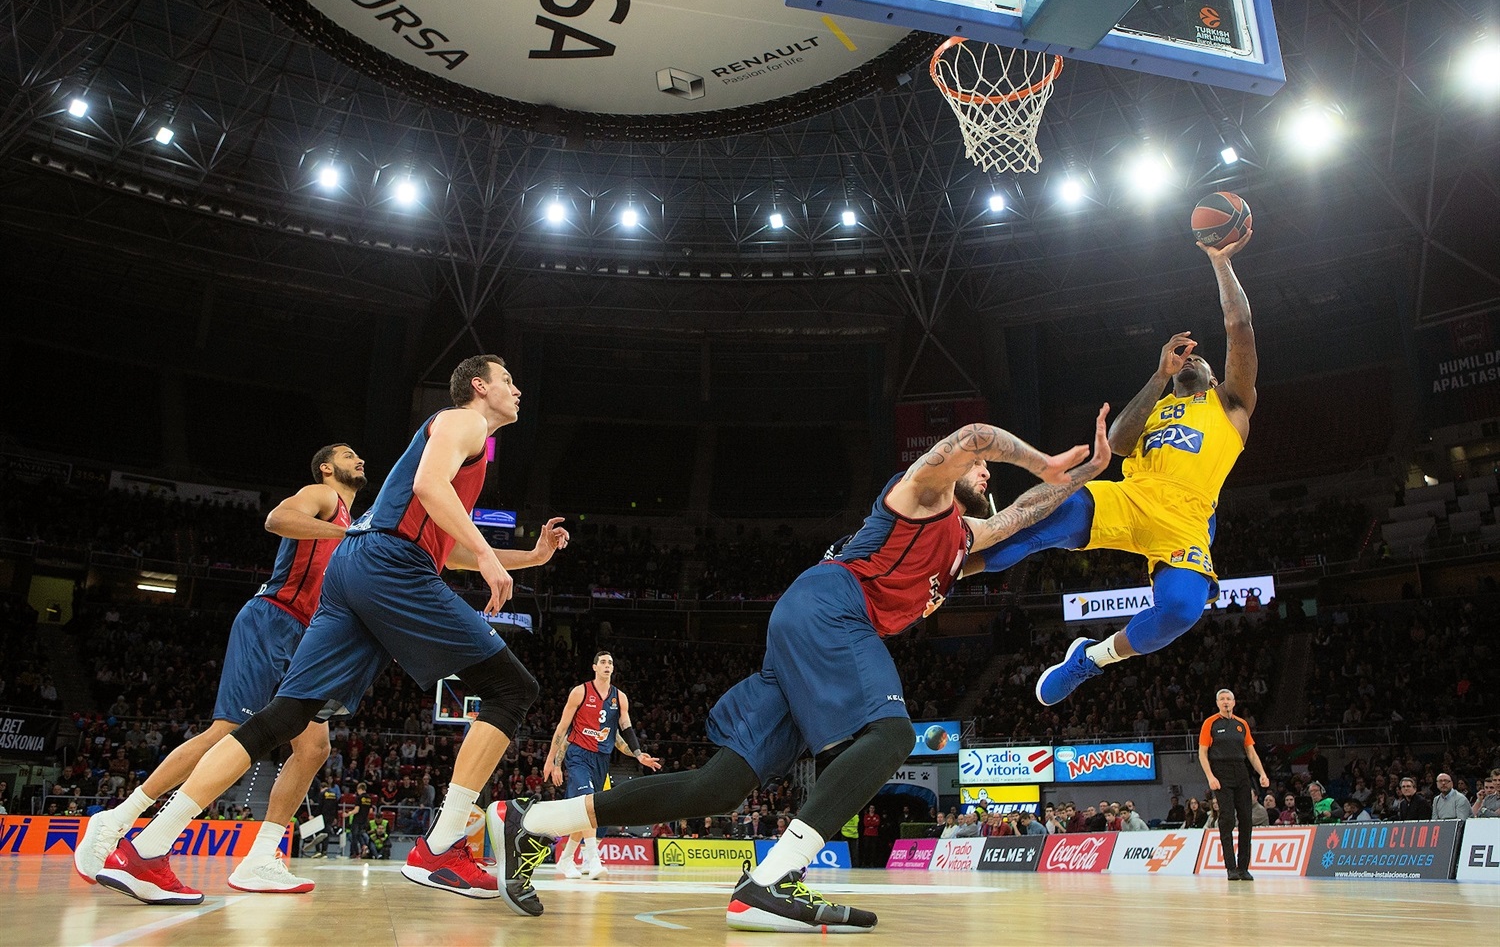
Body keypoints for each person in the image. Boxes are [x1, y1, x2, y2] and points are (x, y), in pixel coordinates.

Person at [522, 407, 1111, 933]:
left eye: (990, 473)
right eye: (981, 468)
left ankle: (533, 820)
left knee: (718, 788)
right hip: (833, 605)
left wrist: (1086, 470)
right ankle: (772, 879)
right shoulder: (921, 495)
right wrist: (1041, 461)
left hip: (809, 628)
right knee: (892, 734)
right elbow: (974, 435)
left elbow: (1024, 513)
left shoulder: (965, 540)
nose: (986, 472)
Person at [94, 355, 569, 917]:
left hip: (356, 566)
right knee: (513, 689)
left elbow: (449, 550)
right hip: (390, 565)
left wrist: (529, 557)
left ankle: (146, 850)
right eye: (508, 380)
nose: (517, 389)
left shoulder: (464, 451)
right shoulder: (463, 421)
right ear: (479, 386)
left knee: (286, 715)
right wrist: (490, 559)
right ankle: (440, 846)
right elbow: (427, 487)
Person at [971, 233, 1257, 705]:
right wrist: (1160, 375)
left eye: (1199, 358)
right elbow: (1120, 443)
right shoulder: (1157, 404)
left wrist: (1221, 262)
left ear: (1213, 377)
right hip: (1129, 497)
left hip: (1185, 520)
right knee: (1038, 523)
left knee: (1181, 610)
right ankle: (944, 573)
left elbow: (1239, 325)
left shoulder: (1231, 405)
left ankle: (1090, 659)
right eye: (1185, 358)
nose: (1191, 359)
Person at [75, 444, 366, 893]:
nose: (358, 459)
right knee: (227, 732)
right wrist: (344, 535)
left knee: (313, 748)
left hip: (307, 636)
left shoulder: (353, 523)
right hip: (273, 618)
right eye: (347, 455)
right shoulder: (323, 497)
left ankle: (261, 858)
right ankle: (116, 819)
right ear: (327, 468)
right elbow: (277, 519)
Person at [542, 650, 661, 879]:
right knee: (587, 803)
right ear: (594, 667)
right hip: (578, 755)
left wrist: (638, 755)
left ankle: (566, 859)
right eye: (603, 662)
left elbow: (624, 730)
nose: (607, 665)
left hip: (601, 760)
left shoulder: (620, 697)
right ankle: (592, 859)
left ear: (613, 668)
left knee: (588, 812)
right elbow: (562, 728)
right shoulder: (580, 692)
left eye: (610, 663)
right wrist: (553, 762)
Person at [1198, 688, 1269, 881]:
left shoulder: (1241, 724)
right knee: (1227, 819)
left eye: (1228, 698)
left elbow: (1251, 753)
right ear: (1217, 703)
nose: (1225, 702)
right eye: (1222, 699)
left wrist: (1262, 773)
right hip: (1220, 772)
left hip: (1241, 771)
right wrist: (1210, 776)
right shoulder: (1210, 723)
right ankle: (1231, 867)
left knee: (1246, 818)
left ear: (1234, 702)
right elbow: (1202, 753)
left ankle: (1243, 867)